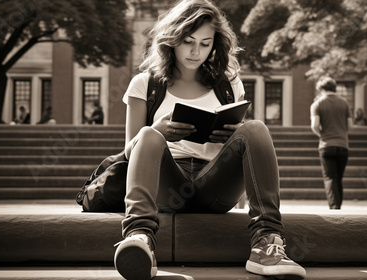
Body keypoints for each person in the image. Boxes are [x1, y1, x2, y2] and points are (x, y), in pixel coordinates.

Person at [113, 1, 306, 279]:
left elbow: (243, 139)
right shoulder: (145, 84)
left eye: (205, 44)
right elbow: (129, 152)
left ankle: (266, 243)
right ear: (172, 39)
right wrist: (157, 129)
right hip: (169, 187)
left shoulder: (229, 83)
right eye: (188, 41)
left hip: (216, 186)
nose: (195, 52)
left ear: (215, 44)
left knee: (255, 128)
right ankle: (140, 238)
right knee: (147, 134)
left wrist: (233, 134)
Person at [310, 76, 353, 210]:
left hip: (326, 145)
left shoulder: (317, 104)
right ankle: (338, 205)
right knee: (338, 178)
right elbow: (350, 125)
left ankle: (334, 207)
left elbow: (315, 125)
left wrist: (322, 135)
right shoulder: (344, 103)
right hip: (343, 145)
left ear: (321, 89)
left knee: (330, 177)